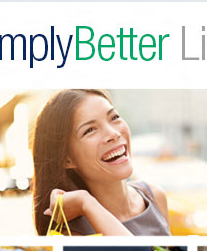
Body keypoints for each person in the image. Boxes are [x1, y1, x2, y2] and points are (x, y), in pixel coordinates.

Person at [31, 89, 170, 236]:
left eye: (114, 117)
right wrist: (86, 203)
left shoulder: (154, 196)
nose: (113, 134)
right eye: (90, 130)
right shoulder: (72, 234)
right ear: (67, 159)